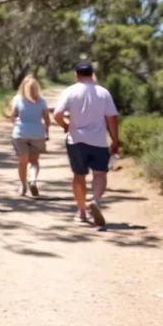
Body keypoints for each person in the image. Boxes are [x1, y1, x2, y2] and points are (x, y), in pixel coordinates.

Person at [53, 61, 119, 227]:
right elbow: (112, 118)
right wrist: (115, 140)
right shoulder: (103, 92)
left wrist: (66, 126)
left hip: (76, 141)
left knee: (79, 176)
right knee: (100, 174)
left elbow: (57, 114)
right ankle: (95, 200)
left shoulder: (69, 91)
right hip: (98, 141)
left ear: (76, 74)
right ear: (92, 74)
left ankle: (81, 211)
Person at [7, 75, 51, 197]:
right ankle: (32, 179)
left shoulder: (17, 99)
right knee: (34, 161)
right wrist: (47, 132)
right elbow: (47, 119)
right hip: (37, 133)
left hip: (20, 133)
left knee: (22, 162)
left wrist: (15, 123)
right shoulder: (42, 101)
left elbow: (12, 115)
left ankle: (22, 186)